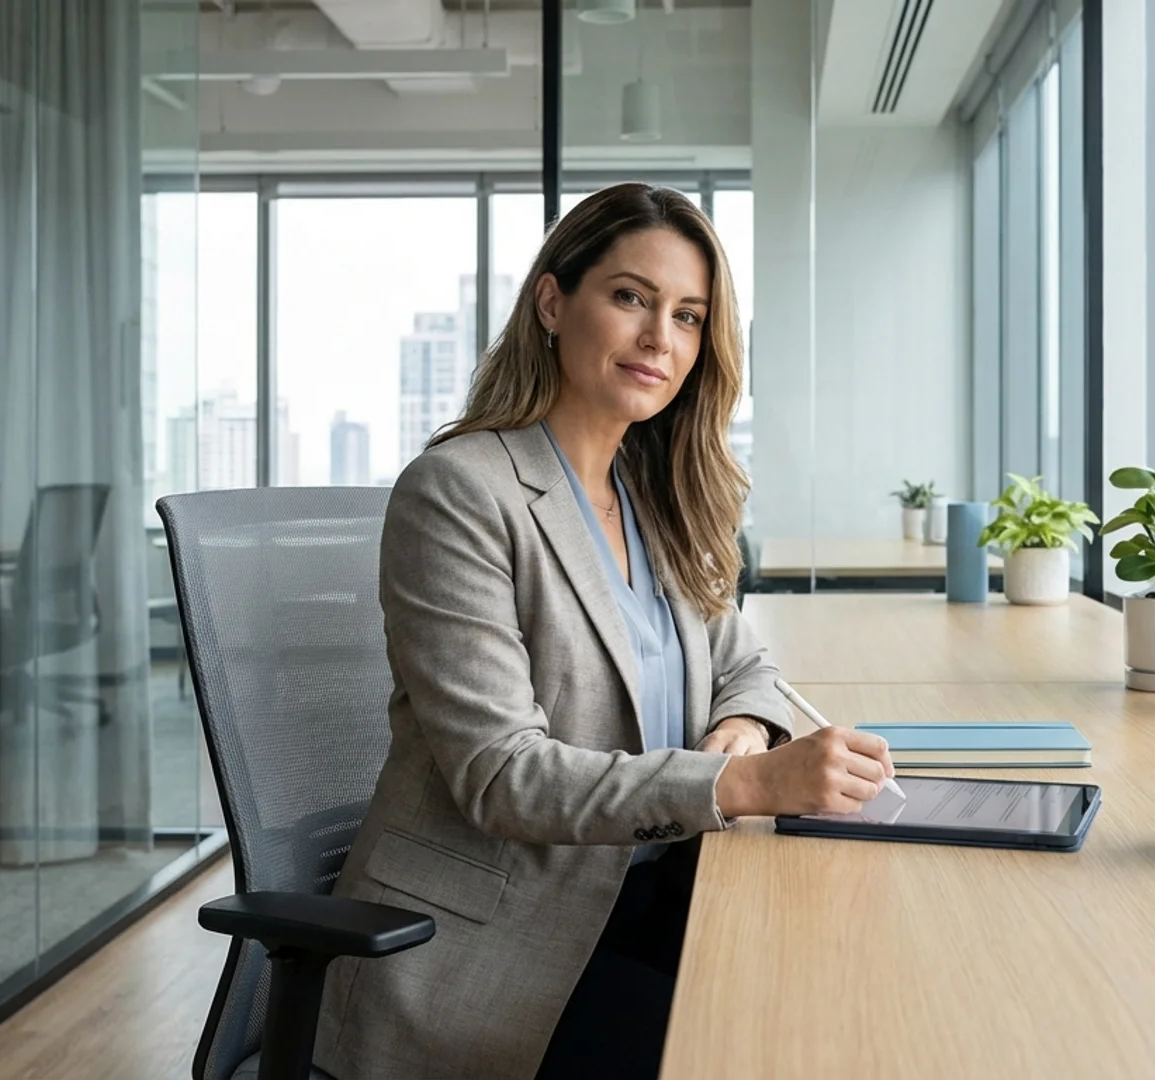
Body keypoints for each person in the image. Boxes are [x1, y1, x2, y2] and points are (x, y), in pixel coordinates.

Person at [313, 183, 896, 1080]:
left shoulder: (650, 496)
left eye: (689, 316)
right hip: (495, 950)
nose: (661, 337)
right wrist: (742, 780)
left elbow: (745, 660)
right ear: (554, 302)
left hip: (645, 896)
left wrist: (742, 729)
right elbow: (505, 777)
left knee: (844, 989)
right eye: (631, 298)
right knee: (771, 1047)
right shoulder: (461, 493)